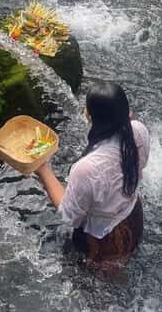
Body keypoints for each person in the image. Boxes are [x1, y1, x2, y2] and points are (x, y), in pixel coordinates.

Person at [35, 82, 150, 265]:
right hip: (133, 217)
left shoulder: (86, 168)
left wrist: (43, 170)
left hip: (106, 240)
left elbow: (69, 216)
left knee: (102, 287)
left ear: (88, 116)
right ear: (127, 112)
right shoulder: (139, 131)